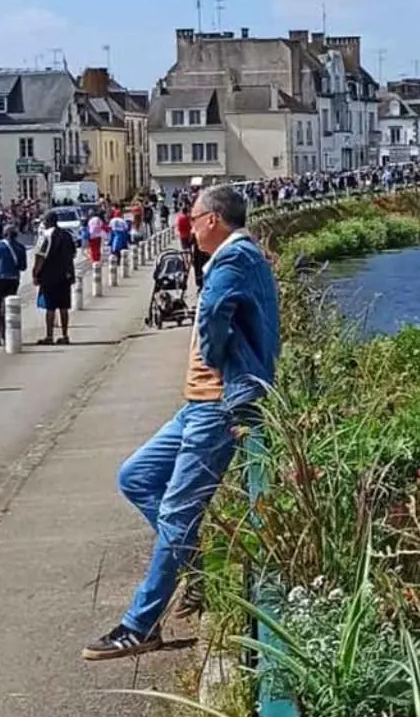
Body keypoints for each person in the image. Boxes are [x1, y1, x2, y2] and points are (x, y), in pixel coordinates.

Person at [85, 184, 280, 661]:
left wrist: (212, 356)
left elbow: (214, 314)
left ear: (213, 220)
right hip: (197, 405)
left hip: (217, 405)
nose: (189, 226)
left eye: (193, 218)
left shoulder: (233, 261)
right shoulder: (240, 258)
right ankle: (199, 569)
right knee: (136, 477)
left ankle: (139, 625)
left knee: (175, 512)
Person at [31, 210, 77, 345]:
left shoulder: (46, 235)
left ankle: (49, 336)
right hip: (66, 275)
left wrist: (35, 273)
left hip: (49, 276)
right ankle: (65, 335)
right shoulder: (67, 235)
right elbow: (73, 253)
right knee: (64, 307)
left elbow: (40, 256)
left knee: (50, 307)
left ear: (46, 222)